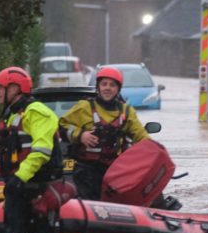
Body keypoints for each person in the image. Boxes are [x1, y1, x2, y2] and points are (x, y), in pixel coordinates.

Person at [0, 66, 64, 233]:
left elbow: (41, 151)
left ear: (14, 88)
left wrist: (19, 176)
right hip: (19, 186)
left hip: (39, 185)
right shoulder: (12, 115)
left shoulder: (36, 112)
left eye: (0, 88)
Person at [59, 66, 155, 200]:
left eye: (112, 85)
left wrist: (154, 151)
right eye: (104, 84)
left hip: (114, 172)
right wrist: (81, 135)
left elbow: (141, 136)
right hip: (86, 171)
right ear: (98, 87)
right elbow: (61, 126)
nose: (107, 88)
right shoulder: (84, 107)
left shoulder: (126, 112)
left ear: (118, 89)